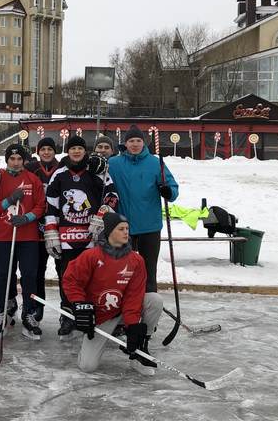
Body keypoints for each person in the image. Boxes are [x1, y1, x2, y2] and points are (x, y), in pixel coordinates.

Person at [63, 213, 163, 374]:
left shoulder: (136, 260)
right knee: (88, 366)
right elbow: (70, 280)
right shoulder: (91, 256)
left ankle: (140, 349)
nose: (126, 232)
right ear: (110, 232)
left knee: (154, 300)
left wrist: (133, 327)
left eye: (127, 229)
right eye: (121, 229)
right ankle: (88, 346)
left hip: (122, 310)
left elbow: (134, 296)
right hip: (100, 316)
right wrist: (80, 304)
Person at [44, 135, 119, 339]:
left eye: (80, 148)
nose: (76, 151)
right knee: (66, 277)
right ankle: (67, 315)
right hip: (67, 236)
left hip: (91, 237)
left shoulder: (96, 170)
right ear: (67, 151)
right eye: (73, 148)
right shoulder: (59, 173)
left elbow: (112, 197)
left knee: (92, 277)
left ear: (85, 150)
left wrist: (101, 216)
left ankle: (89, 314)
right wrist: (51, 232)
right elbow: (50, 204)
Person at [108, 125, 178, 293]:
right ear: (125, 143)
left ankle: (149, 307)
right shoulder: (114, 163)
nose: (135, 144)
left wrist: (168, 191)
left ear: (143, 143)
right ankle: (124, 311)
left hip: (149, 226)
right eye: (131, 141)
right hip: (122, 227)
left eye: (138, 140)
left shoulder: (155, 163)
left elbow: (172, 188)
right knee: (122, 272)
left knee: (148, 271)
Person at [0, 144, 46, 340]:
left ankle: (28, 313)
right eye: (12, 159)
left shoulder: (32, 179)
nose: (16, 162)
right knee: (3, 275)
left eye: (19, 159)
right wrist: (9, 200)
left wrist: (27, 217)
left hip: (28, 237)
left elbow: (41, 205)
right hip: (4, 236)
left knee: (29, 275)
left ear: (24, 161)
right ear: (7, 160)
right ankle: (1, 311)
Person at [24, 137, 59, 321]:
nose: (46, 152)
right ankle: (37, 309)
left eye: (49, 149)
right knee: (37, 271)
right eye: (43, 149)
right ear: (38, 151)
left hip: (58, 227)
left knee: (65, 272)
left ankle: (67, 313)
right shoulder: (31, 169)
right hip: (35, 228)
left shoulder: (62, 168)